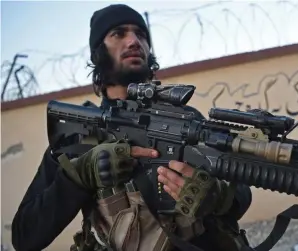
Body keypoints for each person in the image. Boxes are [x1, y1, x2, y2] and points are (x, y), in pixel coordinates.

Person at [11, 4, 253, 251]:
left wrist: (218, 197)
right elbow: (24, 237)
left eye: (141, 34)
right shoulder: (80, 133)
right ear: (98, 52)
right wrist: (81, 174)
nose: (134, 41)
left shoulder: (185, 120)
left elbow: (241, 188)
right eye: (118, 33)